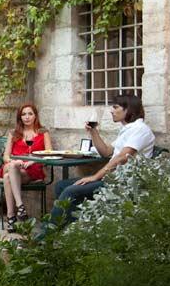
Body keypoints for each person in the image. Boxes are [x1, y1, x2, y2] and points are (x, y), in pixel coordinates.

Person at [45, 93, 155, 230]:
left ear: (128, 109)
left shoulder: (140, 129)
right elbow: (107, 151)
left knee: (70, 190)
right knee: (61, 185)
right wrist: (93, 132)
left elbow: (121, 158)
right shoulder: (128, 129)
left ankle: (47, 235)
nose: (111, 111)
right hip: (113, 178)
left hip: (124, 183)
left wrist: (95, 177)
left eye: (115, 107)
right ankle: (72, 230)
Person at [0, 103, 52, 229]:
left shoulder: (43, 132)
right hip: (13, 165)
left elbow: (49, 153)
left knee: (7, 178)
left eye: (30, 114)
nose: (27, 117)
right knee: (12, 167)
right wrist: (15, 162)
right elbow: (6, 156)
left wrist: (33, 160)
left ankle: (11, 216)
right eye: (23, 114)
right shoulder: (14, 133)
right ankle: (20, 206)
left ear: (35, 116)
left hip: (32, 169)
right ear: (20, 117)